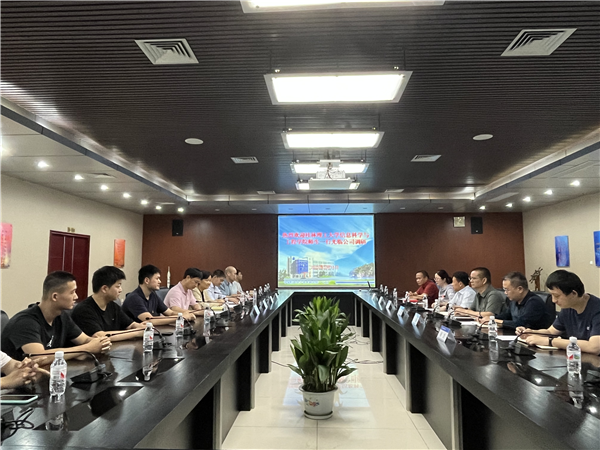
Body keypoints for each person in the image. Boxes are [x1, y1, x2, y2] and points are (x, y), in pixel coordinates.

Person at [1, 271, 111, 362]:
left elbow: (85, 340)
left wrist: (100, 343)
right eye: (72, 292)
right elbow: (38, 357)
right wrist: (86, 349)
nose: (76, 297)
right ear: (55, 297)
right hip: (14, 380)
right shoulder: (25, 322)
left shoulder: (62, 316)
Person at [518, 270, 600, 354]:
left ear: (573, 293)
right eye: (552, 295)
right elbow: (551, 332)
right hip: (576, 357)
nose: (553, 300)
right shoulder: (568, 307)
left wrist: (550, 341)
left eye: (557, 296)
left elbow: (594, 347)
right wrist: (530, 332)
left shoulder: (597, 309)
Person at [72, 266, 146, 341]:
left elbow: (131, 324)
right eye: (118, 286)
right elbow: (100, 336)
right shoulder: (84, 310)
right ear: (104, 289)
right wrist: (136, 333)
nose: (120, 290)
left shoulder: (113, 306)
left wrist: (141, 327)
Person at [480, 271, 553, 330]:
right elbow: (505, 316)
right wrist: (488, 319)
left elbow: (521, 324)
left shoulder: (534, 302)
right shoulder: (514, 300)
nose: (505, 293)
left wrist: (494, 321)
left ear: (520, 289)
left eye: (507, 290)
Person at [122, 265, 194, 324]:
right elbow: (150, 320)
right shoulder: (134, 298)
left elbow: (170, 313)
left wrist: (184, 314)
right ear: (147, 280)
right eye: (157, 278)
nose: (160, 281)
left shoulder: (152, 295)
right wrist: (180, 317)